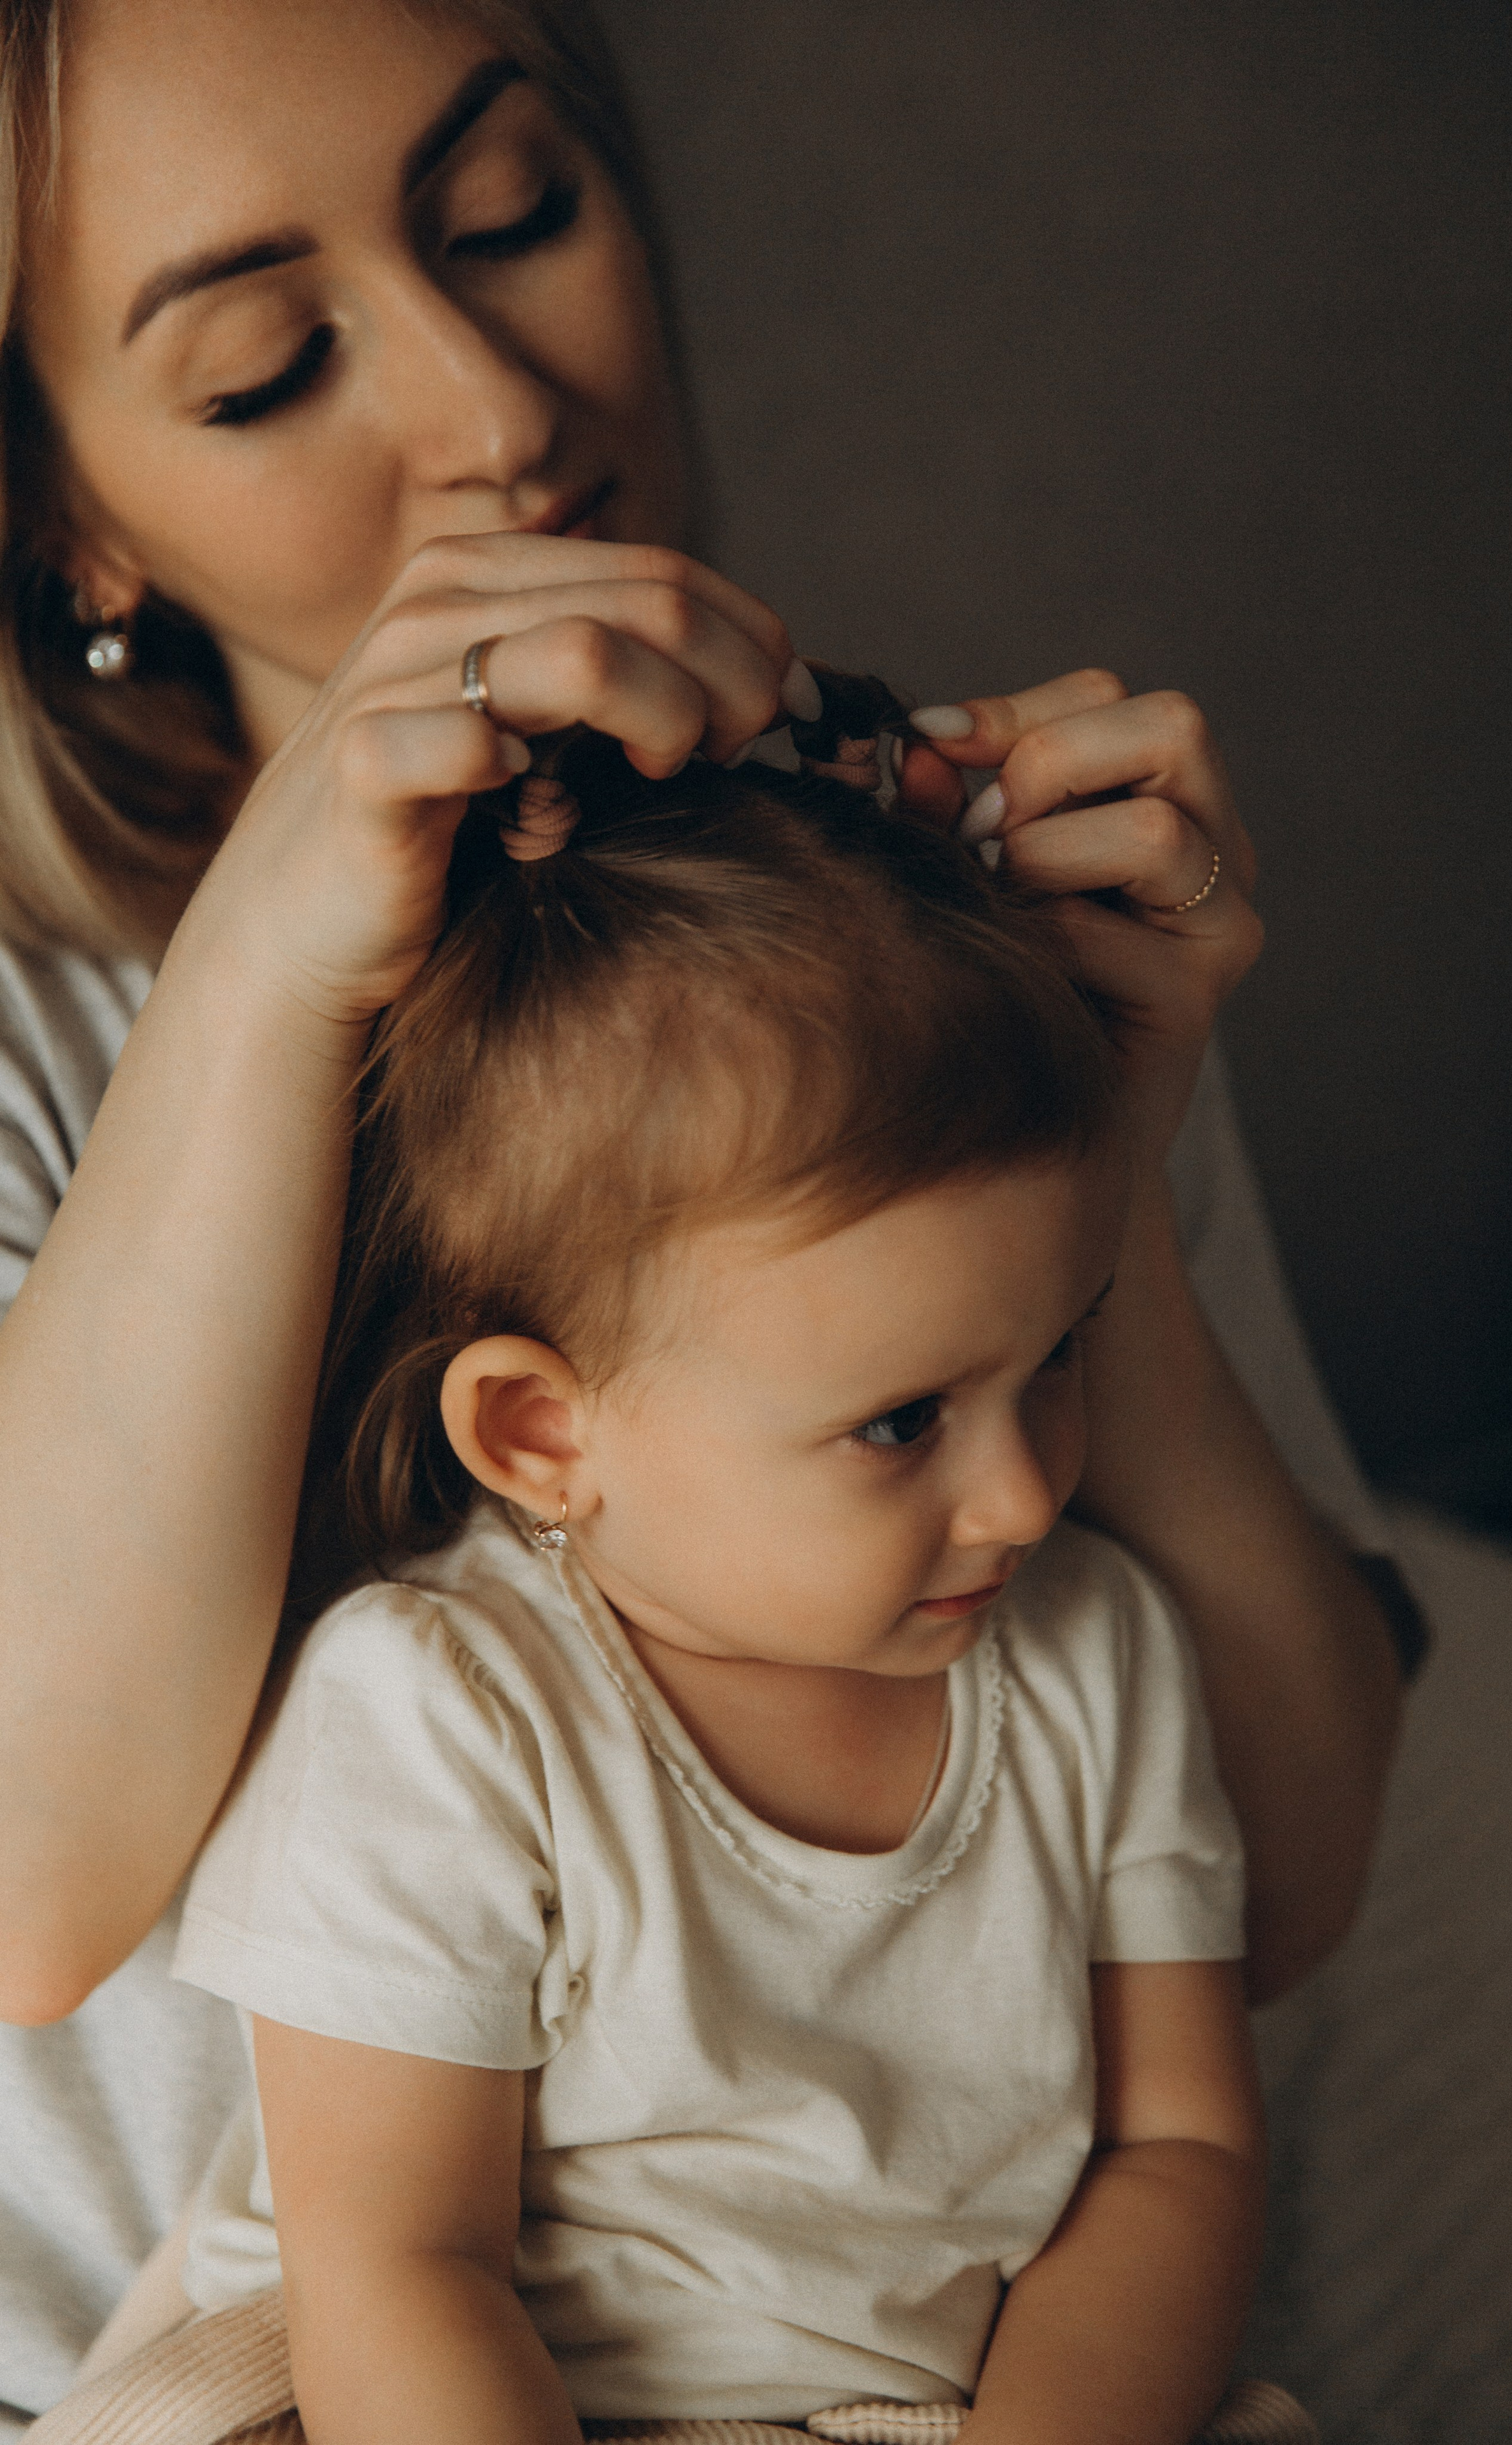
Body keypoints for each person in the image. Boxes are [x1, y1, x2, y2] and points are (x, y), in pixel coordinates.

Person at [0, 0, 1408, 2425]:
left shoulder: (935, 947)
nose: (493, 412)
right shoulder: (42, 1055)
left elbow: (1273, 1891)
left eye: (515, 211)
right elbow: (32, 1885)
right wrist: (261, 950)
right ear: (70, 519)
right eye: (262, 365)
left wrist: (1111, 1149)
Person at [164, 732, 1264, 2444]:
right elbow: (399, 2268)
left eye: (1056, 1357)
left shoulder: (1095, 1658)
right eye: (902, 1422)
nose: (1031, 1491)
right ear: (545, 1434)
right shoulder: (445, 1708)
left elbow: (1174, 2149)